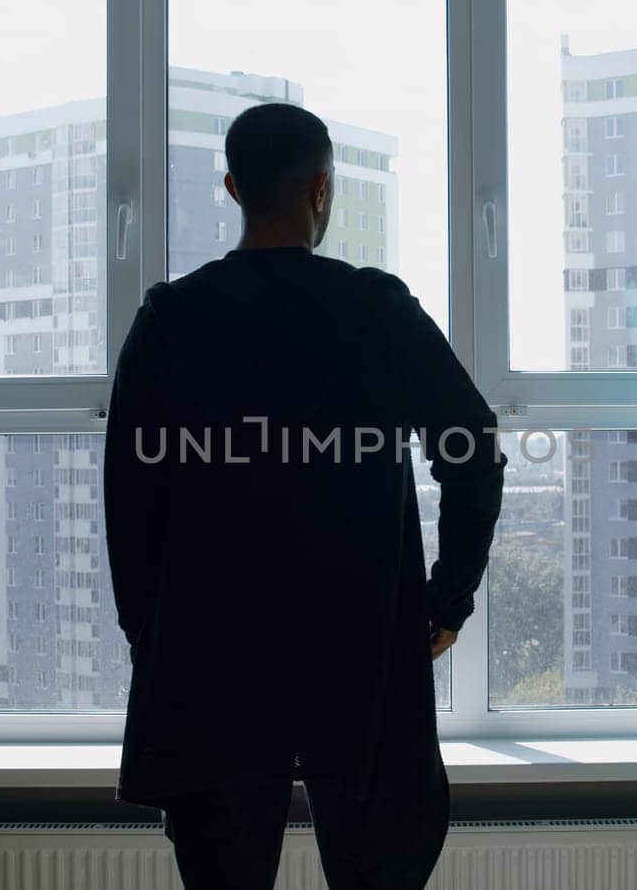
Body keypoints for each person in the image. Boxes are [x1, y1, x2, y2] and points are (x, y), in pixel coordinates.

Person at [102, 102, 505, 890]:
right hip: (361, 651)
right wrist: (446, 600)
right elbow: (475, 450)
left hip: (210, 659)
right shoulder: (377, 309)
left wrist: (149, 633)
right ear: (323, 189)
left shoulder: (170, 319)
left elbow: (129, 498)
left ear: (232, 187)